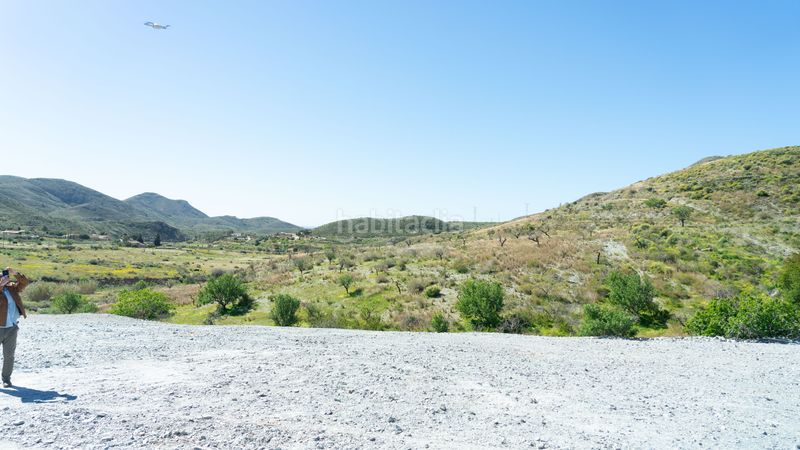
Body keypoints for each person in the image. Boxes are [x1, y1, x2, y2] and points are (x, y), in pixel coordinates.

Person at [0, 267, 28, 388]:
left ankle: (6, 379)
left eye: (4, 276)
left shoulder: (11, 288)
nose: (4, 278)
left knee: (9, 355)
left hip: (11, 327)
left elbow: (24, 283)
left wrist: (15, 273)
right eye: (2, 277)